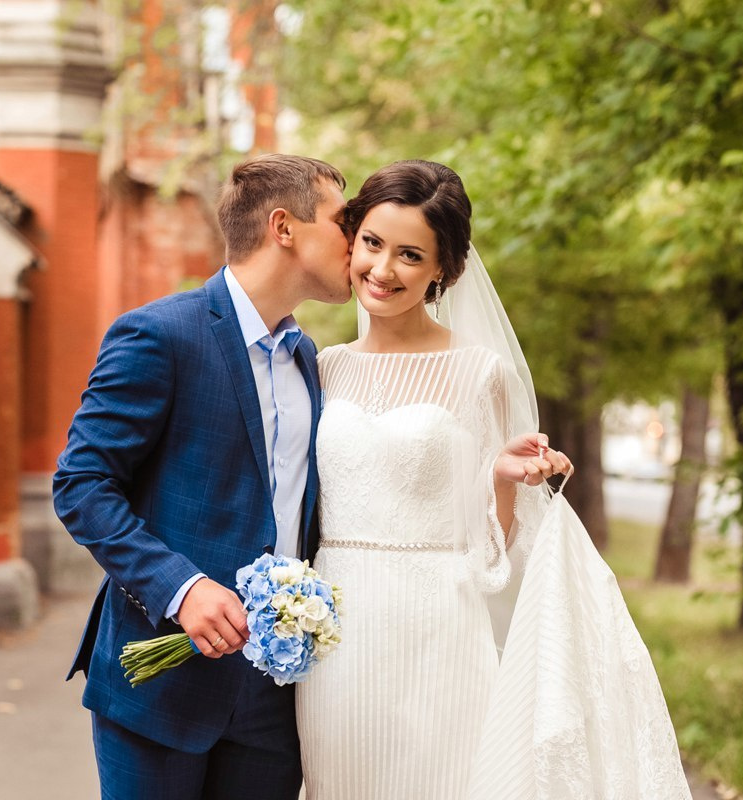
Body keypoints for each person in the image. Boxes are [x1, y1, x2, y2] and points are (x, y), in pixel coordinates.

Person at [296, 160, 692, 799]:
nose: (383, 269)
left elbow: (495, 558)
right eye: (371, 243)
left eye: (410, 255)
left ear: (441, 271)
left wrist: (503, 481)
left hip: (441, 631)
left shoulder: (480, 372)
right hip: (338, 636)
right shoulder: (323, 368)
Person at [53, 153, 352, 800]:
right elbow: (81, 485)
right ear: (285, 227)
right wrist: (181, 589)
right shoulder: (161, 335)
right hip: (161, 682)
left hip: (277, 698)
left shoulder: (309, 359)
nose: (357, 243)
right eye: (343, 221)